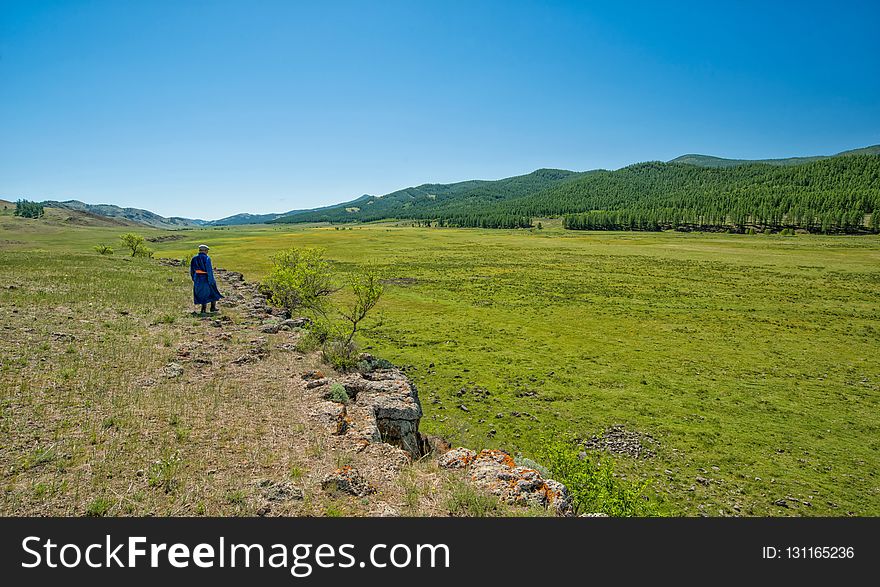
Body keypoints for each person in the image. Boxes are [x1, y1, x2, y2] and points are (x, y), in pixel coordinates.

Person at [190, 244, 223, 314]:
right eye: (207, 250)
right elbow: (209, 270)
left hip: (198, 278)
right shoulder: (207, 258)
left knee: (202, 293)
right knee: (213, 292)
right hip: (206, 278)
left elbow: (192, 270)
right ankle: (212, 308)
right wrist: (211, 280)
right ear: (205, 251)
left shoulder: (194, 258)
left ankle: (203, 309)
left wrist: (194, 278)